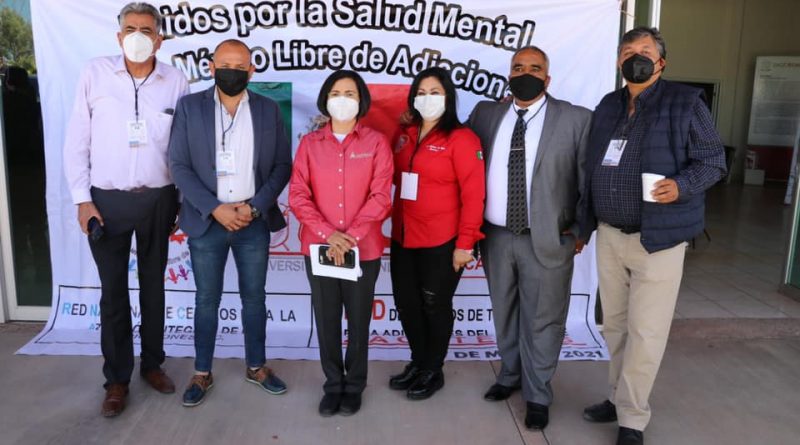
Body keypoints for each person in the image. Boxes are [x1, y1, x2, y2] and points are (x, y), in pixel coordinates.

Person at [580, 27, 726, 445]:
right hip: (610, 235)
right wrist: (584, 225)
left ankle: (632, 418)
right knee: (615, 326)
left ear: (661, 62)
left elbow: (714, 160)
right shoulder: (608, 105)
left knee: (646, 332)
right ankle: (617, 397)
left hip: (658, 238)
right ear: (618, 61)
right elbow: (590, 166)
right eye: (628, 51)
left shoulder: (685, 102)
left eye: (644, 51)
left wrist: (681, 185)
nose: (635, 57)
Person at [62, 2, 189, 418]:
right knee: (113, 292)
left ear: (159, 39)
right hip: (106, 201)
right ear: (118, 37)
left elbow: (183, 146)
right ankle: (116, 378)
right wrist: (82, 199)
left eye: (146, 30)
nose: (138, 36)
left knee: (154, 287)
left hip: (159, 198)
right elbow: (77, 140)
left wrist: (181, 201)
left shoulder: (176, 80)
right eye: (130, 29)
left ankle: (152, 364)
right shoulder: (95, 74)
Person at [467, 46, 591, 430]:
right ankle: (510, 375)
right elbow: (458, 153)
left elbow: (589, 180)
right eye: (518, 67)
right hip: (496, 236)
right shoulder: (485, 115)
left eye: (534, 68)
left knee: (543, 319)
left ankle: (537, 394)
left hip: (548, 238)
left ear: (547, 78)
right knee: (504, 312)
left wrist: (581, 229)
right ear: (509, 74)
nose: (525, 73)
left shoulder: (575, 119)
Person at [168, 38, 292, 407]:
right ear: (211, 67)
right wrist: (215, 208)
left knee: (254, 298)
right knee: (207, 299)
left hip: (252, 221)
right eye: (225, 65)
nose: (232, 72)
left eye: (240, 67)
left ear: (251, 71)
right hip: (207, 222)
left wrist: (254, 208)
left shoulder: (268, 109)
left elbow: (281, 166)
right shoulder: (190, 107)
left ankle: (257, 367)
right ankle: (202, 372)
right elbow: (178, 165)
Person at [289, 70, 393, 417]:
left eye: (350, 93)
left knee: (359, 321)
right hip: (319, 248)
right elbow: (298, 195)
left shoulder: (376, 143)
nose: (343, 100)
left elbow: (381, 196)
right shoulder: (309, 144)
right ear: (325, 99)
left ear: (361, 100)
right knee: (327, 318)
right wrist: (328, 234)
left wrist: (349, 237)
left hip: (364, 249)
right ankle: (333, 384)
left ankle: (355, 385)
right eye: (336, 93)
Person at [388, 67, 485, 401]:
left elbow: (474, 195)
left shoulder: (462, 138)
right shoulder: (405, 133)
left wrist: (465, 244)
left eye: (435, 92)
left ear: (448, 97)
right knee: (407, 304)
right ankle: (418, 361)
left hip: (442, 240)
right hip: (403, 236)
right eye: (421, 92)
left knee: (435, 305)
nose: (427, 98)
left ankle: (433, 369)